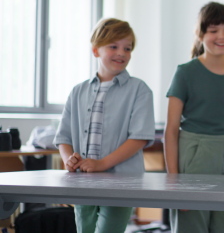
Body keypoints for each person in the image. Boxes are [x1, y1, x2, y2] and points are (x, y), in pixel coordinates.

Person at [54, 18, 156, 233]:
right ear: (95, 50)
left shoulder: (140, 90)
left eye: (127, 48)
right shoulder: (77, 91)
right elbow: (63, 137)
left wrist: (102, 164)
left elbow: (139, 137)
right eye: (113, 46)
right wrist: (68, 160)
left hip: (122, 181)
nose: (121, 53)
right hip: (82, 182)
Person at [164, 2, 224, 233]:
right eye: (213, 30)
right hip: (195, 152)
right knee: (191, 226)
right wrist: (173, 181)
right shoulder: (185, 72)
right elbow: (171, 130)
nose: (221, 36)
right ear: (200, 33)